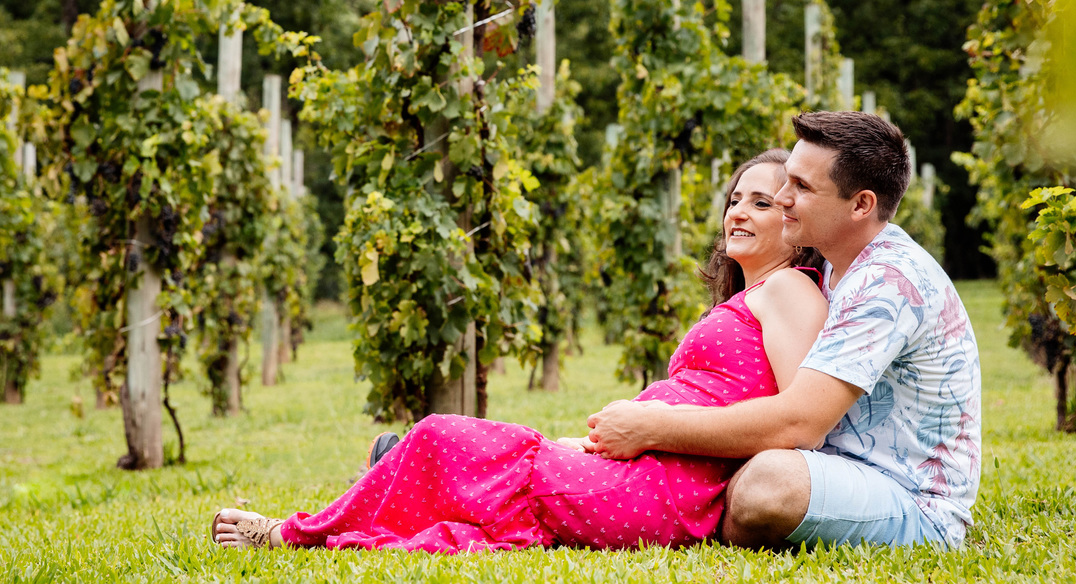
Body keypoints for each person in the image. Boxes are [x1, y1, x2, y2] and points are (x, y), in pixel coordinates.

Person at [211, 149, 829, 552]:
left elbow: (797, 422)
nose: (738, 212)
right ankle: (382, 484)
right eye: (735, 199)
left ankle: (294, 532)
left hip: (662, 490)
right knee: (472, 489)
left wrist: (651, 427)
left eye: (762, 203)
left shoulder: (791, 289)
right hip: (646, 473)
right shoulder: (754, 296)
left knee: (441, 439)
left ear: (795, 222)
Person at [587, 111, 982, 550]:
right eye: (787, 180)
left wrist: (653, 427)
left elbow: (800, 422)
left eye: (801, 187)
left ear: (861, 205)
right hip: (833, 469)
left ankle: (697, 514)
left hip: (909, 499)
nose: (782, 197)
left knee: (768, 483)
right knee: (755, 469)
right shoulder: (834, 266)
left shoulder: (888, 280)